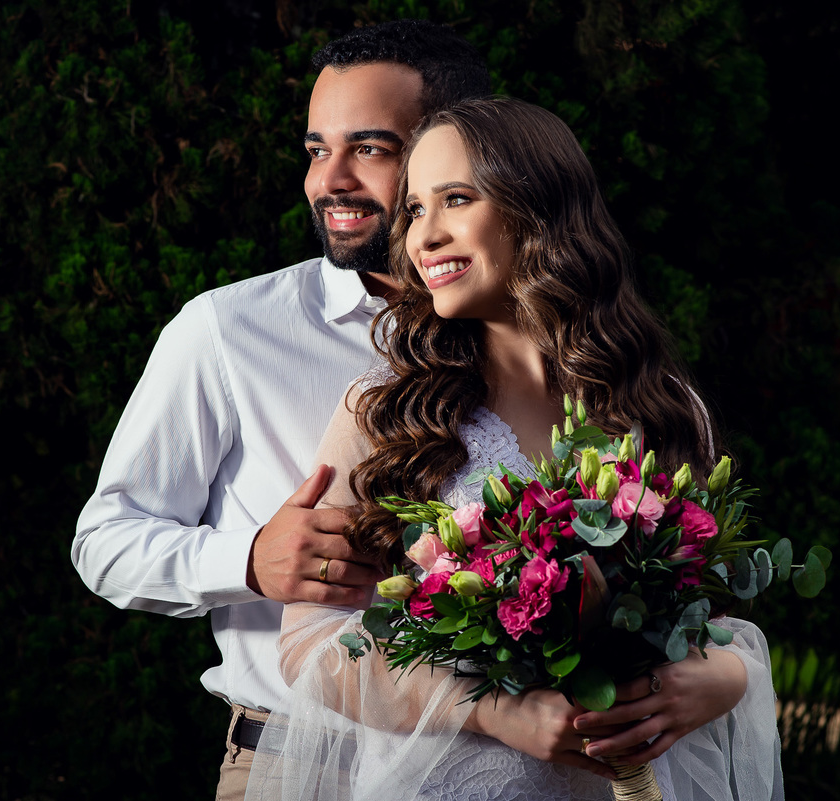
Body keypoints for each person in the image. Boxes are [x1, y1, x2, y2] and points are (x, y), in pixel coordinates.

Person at [247, 97, 783, 800]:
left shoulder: (662, 405)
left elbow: (700, 618)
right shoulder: (387, 414)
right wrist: (496, 711)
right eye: (414, 210)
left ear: (540, 206)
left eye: (457, 200)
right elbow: (311, 643)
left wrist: (727, 675)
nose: (423, 237)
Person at [72, 20, 492, 801]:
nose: (328, 179)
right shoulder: (228, 330)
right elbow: (105, 541)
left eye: (369, 148)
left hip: (499, 770)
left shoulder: (523, 338)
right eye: (315, 149)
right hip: (294, 767)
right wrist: (249, 560)